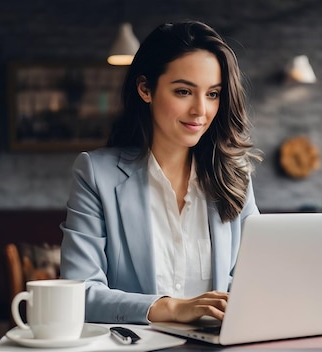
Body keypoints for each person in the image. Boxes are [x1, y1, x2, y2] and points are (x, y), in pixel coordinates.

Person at [59, 20, 262, 324]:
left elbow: (256, 280)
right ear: (145, 89)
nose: (200, 110)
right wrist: (171, 308)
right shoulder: (95, 174)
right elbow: (81, 291)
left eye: (213, 94)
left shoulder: (235, 175)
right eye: (183, 91)